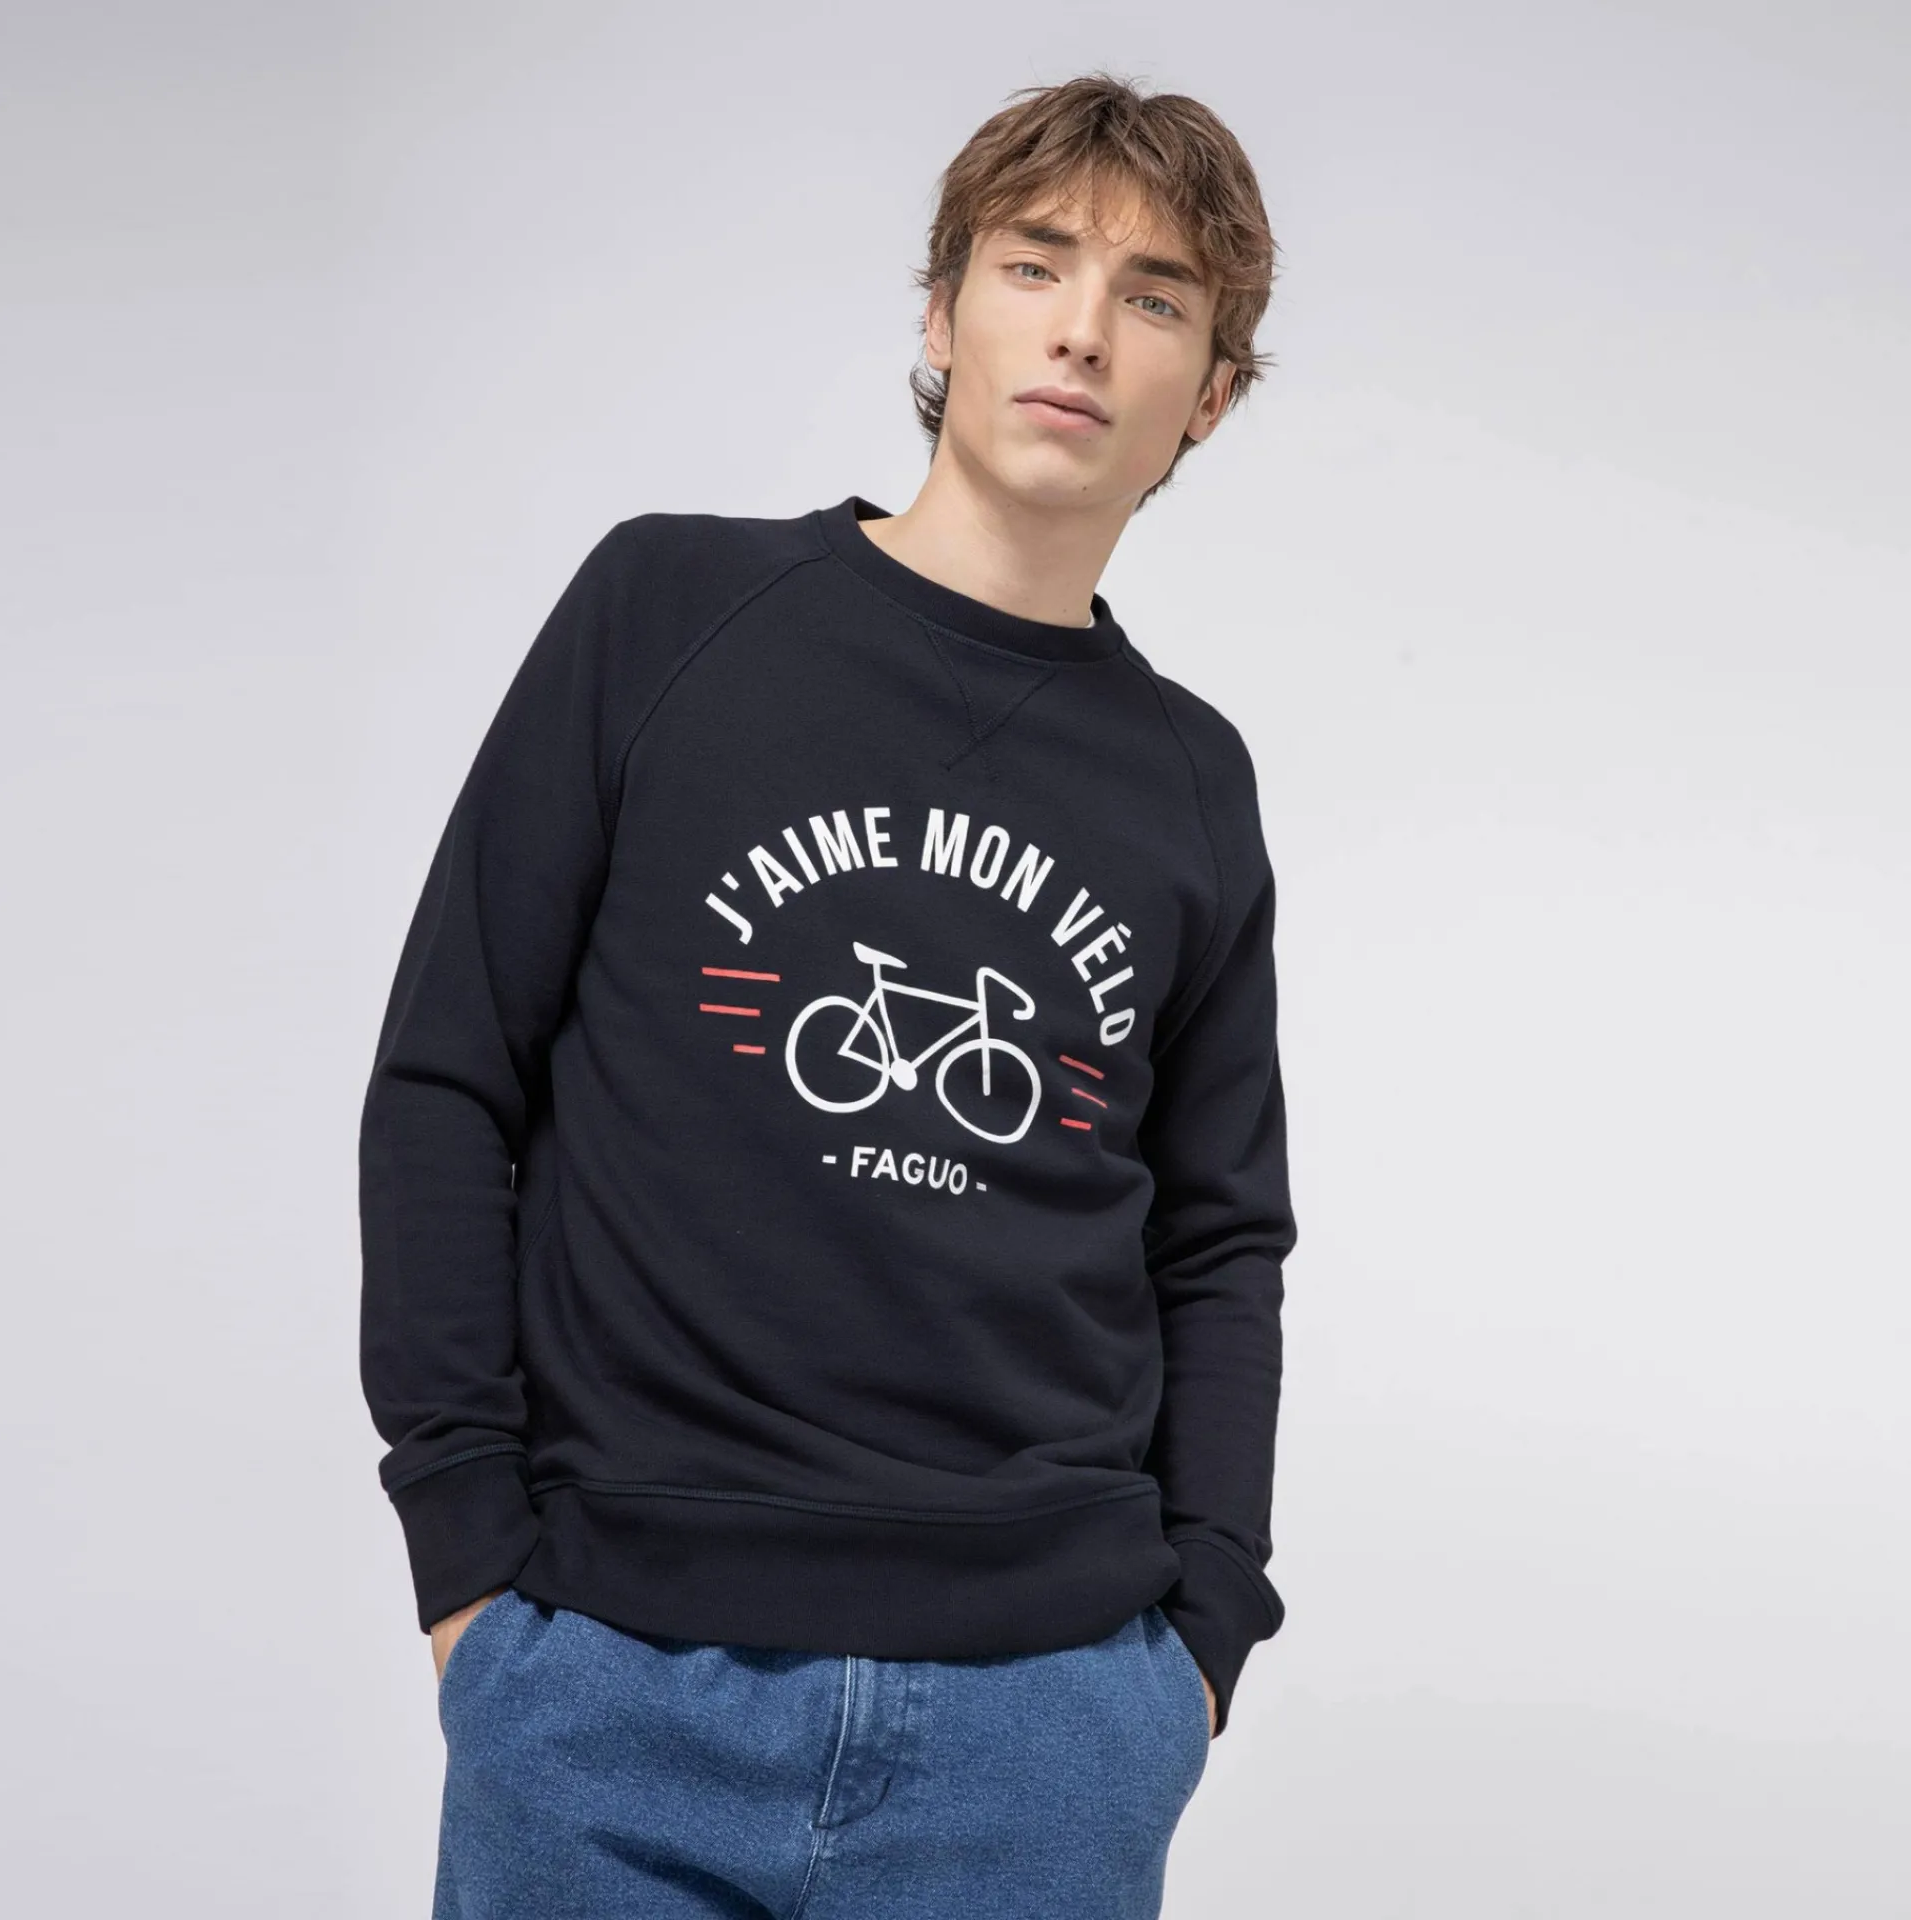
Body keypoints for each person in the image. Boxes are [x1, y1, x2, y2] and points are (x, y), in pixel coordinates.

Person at [359, 68, 1298, 1920]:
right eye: (1035, 264)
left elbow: (1218, 1238)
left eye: (1156, 298)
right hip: (610, 1685)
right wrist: (467, 1555)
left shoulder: (1192, 780)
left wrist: (1199, 1636)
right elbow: (452, 1079)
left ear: (1209, 394)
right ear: (943, 316)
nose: (1085, 331)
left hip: (1046, 1730)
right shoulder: (667, 612)